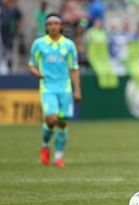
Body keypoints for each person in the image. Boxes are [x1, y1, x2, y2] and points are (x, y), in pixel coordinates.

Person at [28, 13, 81, 167]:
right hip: (48, 88)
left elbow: (74, 68)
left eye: (55, 23)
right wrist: (36, 72)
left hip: (64, 88)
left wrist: (77, 90)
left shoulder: (69, 45)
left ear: (61, 25)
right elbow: (31, 64)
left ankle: (58, 157)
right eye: (49, 23)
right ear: (46, 26)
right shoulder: (39, 44)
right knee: (51, 120)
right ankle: (45, 146)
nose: (52, 26)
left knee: (62, 123)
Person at [0, 0, 23, 72]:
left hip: (10, 35)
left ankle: (9, 67)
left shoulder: (15, 10)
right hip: (2, 34)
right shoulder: (2, 8)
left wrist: (17, 30)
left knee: (9, 53)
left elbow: (20, 20)